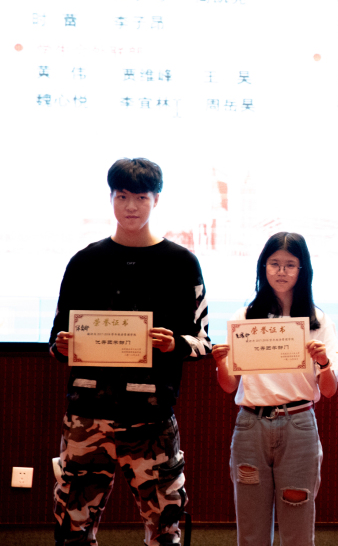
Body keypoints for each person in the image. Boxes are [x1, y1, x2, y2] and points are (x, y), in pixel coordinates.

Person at [48, 158, 211, 546]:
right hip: (87, 416)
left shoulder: (181, 263)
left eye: (141, 197)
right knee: (72, 528)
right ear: (111, 199)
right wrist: (62, 346)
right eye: (122, 196)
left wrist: (174, 344)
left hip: (151, 418)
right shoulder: (85, 262)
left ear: (156, 200)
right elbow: (56, 340)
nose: (131, 206)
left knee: (166, 530)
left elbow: (202, 342)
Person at [211, 231, 338, 546]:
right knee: (251, 526)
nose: (281, 271)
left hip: (298, 425)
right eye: (274, 263)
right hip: (250, 425)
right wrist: (220, 363)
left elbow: (328, 391)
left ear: (302, 269)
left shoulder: (317, 321)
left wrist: (324, 363)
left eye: (290, 265)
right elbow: (229, 386)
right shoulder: (245, 318)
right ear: (263, 267)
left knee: (298, 526)